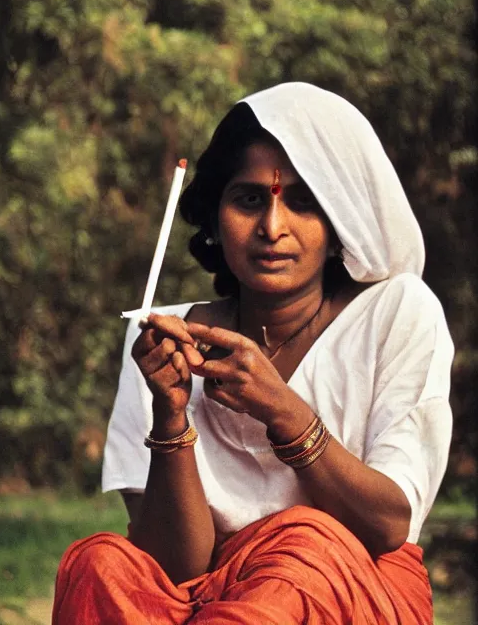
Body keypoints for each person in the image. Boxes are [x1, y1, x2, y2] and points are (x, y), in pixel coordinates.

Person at [52, 82, 453, 625]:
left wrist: (279, 408)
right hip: (203, 594)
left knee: (303, 547)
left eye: (303, 202)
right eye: (249, 199)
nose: (272, 227)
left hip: (347, 585)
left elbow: (387, 526)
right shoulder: (160, 339)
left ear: (339, 228)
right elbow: (172, 568)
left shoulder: (397, 312)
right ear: (216, 220)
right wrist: (171, 415)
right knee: (99, 563)